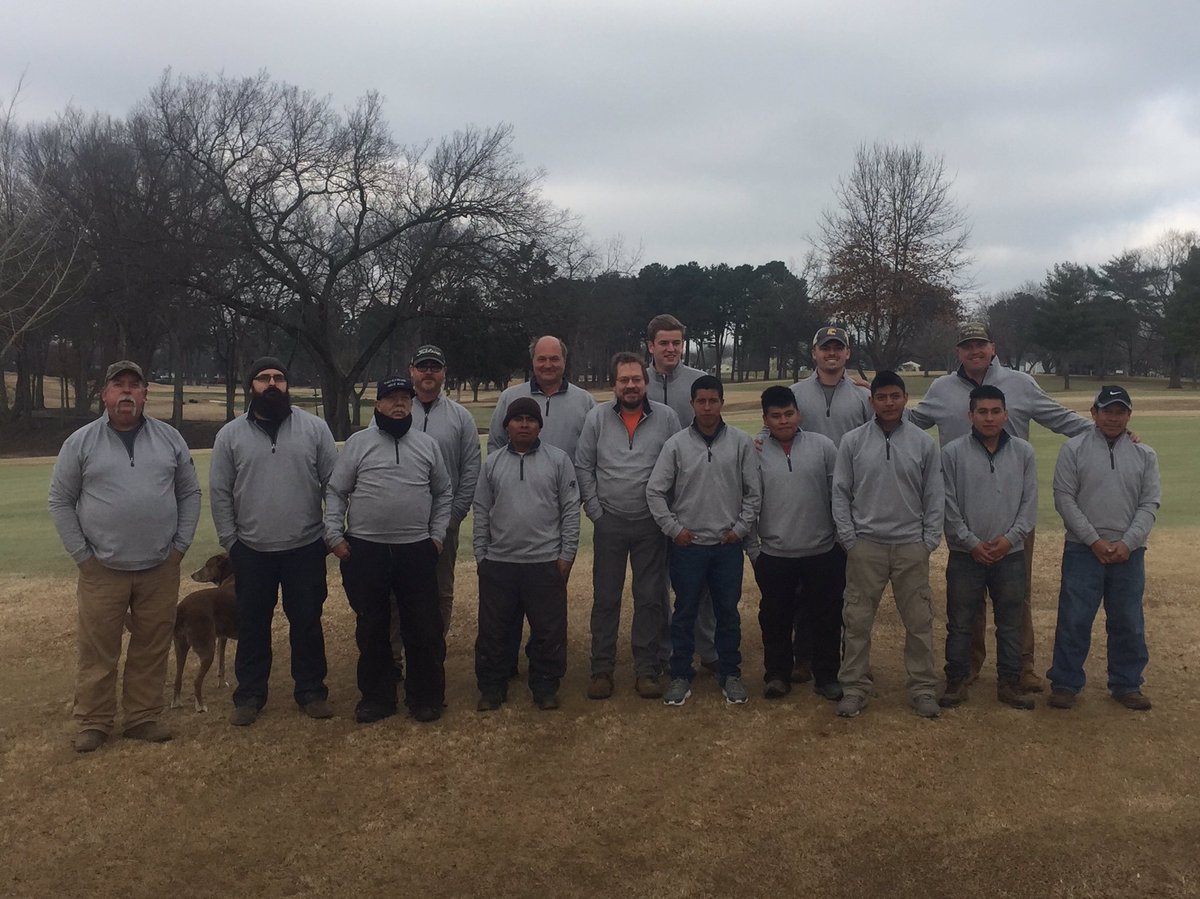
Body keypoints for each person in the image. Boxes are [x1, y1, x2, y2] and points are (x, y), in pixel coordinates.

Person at [907, 321, 1093, 693]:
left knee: (1016, 597)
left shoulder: (1021, 384)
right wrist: (868, 404)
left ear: (992, 347)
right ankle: (969, 664)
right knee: (966, 599)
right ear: (959, 351)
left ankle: (1020, 667)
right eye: (966, 346)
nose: (974, 351)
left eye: (980, 344)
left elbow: (1060, 419)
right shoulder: (942, 389)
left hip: (1013, 515)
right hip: (963, 514)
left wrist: (1105, 429)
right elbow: (907, 422)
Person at [49, 360, 202, 752]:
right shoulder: (80, 442)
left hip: (159, 568)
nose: (128, 392)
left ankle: (142, 717)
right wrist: (83, 556)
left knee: (151, 645)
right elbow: (61, 500)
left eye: (136, 386)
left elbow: (189, 493)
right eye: (120, 386)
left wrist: (179, 548)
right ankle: (95, 722)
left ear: (145, 395)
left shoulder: (170, 439)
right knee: (98, 649)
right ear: (105, 394)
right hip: (102, 569)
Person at [210, 356, 338, 726]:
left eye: (279, 378)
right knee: (252, 624)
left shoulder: (314, 429)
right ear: (251, 386)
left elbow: (335, 484)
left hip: (306, 547)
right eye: (263, 378)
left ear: (287, 385)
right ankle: (249, 696)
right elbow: (219, 493)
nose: (272, 384)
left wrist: (330, 533)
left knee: (307, 622)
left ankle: (312, 691)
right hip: (251, 551)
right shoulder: (230, 436)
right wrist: (231, 542)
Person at [325, 376, 453, 724]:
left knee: (424, 627)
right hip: (366, 550)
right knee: (373, 627)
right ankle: (376, 698)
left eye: (405, 399)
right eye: (391, 398)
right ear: (377, 405)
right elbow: (337, 492)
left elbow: (443, 494)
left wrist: (437, 534)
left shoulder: (427, 446)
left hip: (416, 549)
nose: (399, 404)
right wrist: (334, 535)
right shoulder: (358, 444)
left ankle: (425, 697)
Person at [833, 371, 944, 719]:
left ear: (905, 398)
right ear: (872, 402)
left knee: (919, 622)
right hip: (866, 546)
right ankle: (853, 686)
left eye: (895, 396)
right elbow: (840, 493)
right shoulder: (852, 441)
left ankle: (923, 688)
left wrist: (928, 541)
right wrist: (849, 538)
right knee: (857, 621)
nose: (889, 403)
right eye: (882, 397)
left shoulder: (923, 443)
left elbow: (934, 495)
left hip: (911, 545)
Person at [646, 375, 761, 707]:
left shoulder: (740, 443)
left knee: (727, 612)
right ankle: (681, 674)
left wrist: (739, 529)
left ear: (722, 402)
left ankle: (731, 673)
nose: (708, 407)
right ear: (692, 404)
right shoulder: (677, 444)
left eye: (713, 400)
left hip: (727, 546)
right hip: (688, 546)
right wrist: (674, 529)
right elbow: (655, 491)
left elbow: (754, 493)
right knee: (684, 612)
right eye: (701, 401)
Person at [1046, 386, 1160, 711]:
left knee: (1127, 619)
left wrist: (1127, 543)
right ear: (1093, 412)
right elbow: (1064, 498)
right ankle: (1065, 683)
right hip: (1083, 550)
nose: (1113, 417)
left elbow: (1149, 502)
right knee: (1075, 617)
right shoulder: (1074, 449)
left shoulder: (1145, 455)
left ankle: (1126, 683)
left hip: (1129, 552)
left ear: (1129, 415)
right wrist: (1093, 540)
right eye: (1107, 410)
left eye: (1120, 411)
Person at [575, 352, 681, 700]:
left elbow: (681, 466)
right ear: (615, 383)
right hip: (610, 523)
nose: (631, 385)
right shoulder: (597, 418)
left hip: (652, 524)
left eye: (636, 379)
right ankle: (601, 669)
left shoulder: (667, 419)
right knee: (606, 599)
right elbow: (584, 466)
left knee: (650, 598)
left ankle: (647, 669)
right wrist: (596, 513)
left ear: (645, 382)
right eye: (624, 380)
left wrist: (666, 515)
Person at [474, 397, 580, 711]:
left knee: (549, 631)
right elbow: (481, 509)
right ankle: (492, 687)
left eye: (530, 419)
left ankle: (545, 687)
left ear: (539, 426)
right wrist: (481, 554)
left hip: (545, 562)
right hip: (500, 562)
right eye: (517, 419)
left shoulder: (559, 460)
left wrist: (567, 555)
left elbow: (570, 511)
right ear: (507, 425)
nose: (523, 424)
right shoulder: (492, 463)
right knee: (494, 631)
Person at [780, 325, 872, 684]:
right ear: (814, 353)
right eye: (825, 347)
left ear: (847, 354)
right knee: (806, 588)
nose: (831, 353)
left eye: (838, 347)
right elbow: (773, 429)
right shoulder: (796, 393)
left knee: (847, 589)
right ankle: (803, 657)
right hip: (807, 498)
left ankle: (848, 660)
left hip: (852, 501)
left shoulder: (863, 397)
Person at [384, 345, 482, 681]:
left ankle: (430, 654)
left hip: (443, 525)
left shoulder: (460, 418)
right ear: (411, 370)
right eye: (422, 367)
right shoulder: (389, 411)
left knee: (440, 591)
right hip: (397, 526)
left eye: (435, 368)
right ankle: (393, 657)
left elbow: (470, 471)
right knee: (395, 593)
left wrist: (453, 517)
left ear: (443, 373)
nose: (428, 373)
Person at [938, 385, 1037, 711]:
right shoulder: (952, 452)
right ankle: (957, 679)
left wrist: (1011, 538)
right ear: (971, 415)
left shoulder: (1024, 452)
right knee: (961, 621)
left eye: (996, 411)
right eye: (983, 411)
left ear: (1006, 414)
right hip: (967, 554)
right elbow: (948, 505)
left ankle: (1009, 682)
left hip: (1009, 554)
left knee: (1010, 622)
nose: (990, 417)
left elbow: (1028, 504)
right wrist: (970, 541)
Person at [745, 386, 842, 701]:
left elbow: (838, 496)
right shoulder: (754, 452)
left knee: (827, 617)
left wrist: (840, 541)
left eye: (788, 414)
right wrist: (755, 550)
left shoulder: (823, 446)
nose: (783, 421)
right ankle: (777, 674)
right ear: (766, 419)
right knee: (775, 618)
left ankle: (827, 675)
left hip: (822, 551)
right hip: (775, 553)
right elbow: (748, 502)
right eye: (776, 416)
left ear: (798, 414)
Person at [644, 312, 720, 676]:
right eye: (664, 343)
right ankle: (664, 648)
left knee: (700, 581)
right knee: (656, 582)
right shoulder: (635, 381)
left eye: (676, 342)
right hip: (652, 498)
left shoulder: (698, 381)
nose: (671, 348)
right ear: (651, 346)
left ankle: (707, 647)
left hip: (693, 495)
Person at [488, 335, 596, 463]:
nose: (548, 365)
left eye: (554, 359)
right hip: (519, 482)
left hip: (570, 482)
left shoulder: (585, 401)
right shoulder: (509, 397)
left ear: (564, 361)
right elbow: (496, 444)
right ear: (532, 361)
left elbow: (595, 451)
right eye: (541, 359)